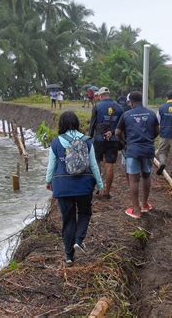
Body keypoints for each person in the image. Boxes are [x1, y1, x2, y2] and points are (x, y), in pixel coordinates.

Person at [45, 111, 103, 264]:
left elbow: (51, 165)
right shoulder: (87, 141)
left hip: (62, 186)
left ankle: (69, 256)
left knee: (68, 219)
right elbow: (93, 165)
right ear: (77, 123)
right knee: (85, 212)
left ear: (61, 124)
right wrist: (100, 183)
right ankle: (78, 239)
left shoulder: (56, 142)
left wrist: (48, 181)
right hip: (84, 185)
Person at [115, 91, 159, 218]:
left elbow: (117, 132)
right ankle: (145, 204)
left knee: (134, 179)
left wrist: (125, 143)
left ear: (132, 102)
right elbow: (157, 131)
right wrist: (149, 139)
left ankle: (136, 210)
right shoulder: (151, 113)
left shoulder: (126, 115)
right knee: (146, 176)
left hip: (133, 150)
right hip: (148, 149)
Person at [89, 87, 123, 199]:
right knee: (110, 165)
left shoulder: (97, 106)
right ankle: (107, 192)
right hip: (113, 140)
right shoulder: (119, 107)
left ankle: (99, 188)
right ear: (108, 94)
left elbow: (92, 125)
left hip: (99, 139)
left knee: (97, 163)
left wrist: (89, 138)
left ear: (100, 95)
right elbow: (121, 126)